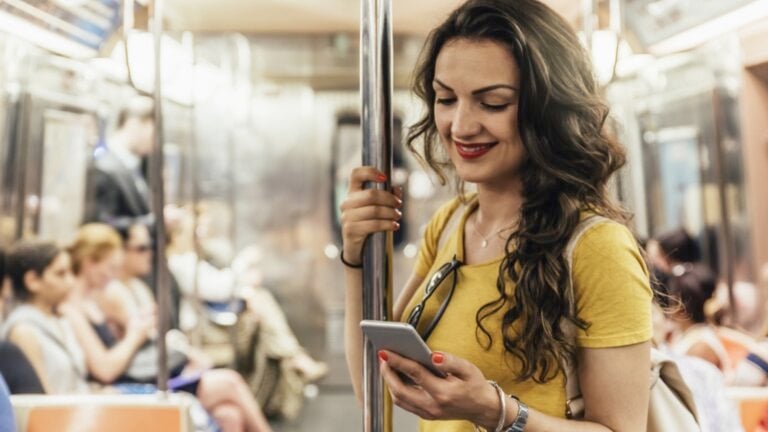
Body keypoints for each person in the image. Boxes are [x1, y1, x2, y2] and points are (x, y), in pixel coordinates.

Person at [340, 1, 654, 431]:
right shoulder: (450, 224)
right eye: (446, 99)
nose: (461, 125)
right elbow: (376, 392)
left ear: (549, 111)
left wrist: (496, 411)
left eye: (492, 103)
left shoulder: (597, 248)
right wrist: (356, 259)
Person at [63, 224, 273, 432]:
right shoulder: (74, 308)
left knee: (229, 415)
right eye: (110, 268)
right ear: (90, 263)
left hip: (139, 376)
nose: (112, 276)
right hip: (127, 387)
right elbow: (105, 369)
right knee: (230, 382)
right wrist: (135, 335)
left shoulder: (99, 298)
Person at [0, 241, 89, 394]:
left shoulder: (61, 320)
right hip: (59, 414)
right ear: (32, 281)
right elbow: (41, 396)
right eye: (60, 274)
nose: (71, 281)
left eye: (71, 273)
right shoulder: (23, 330)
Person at [84, 97, 154, 231]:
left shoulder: (136, 164)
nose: (154, 142)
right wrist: (153, 223)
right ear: (133, 124)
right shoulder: (104, 166)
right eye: (153, 134)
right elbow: (103, 224)